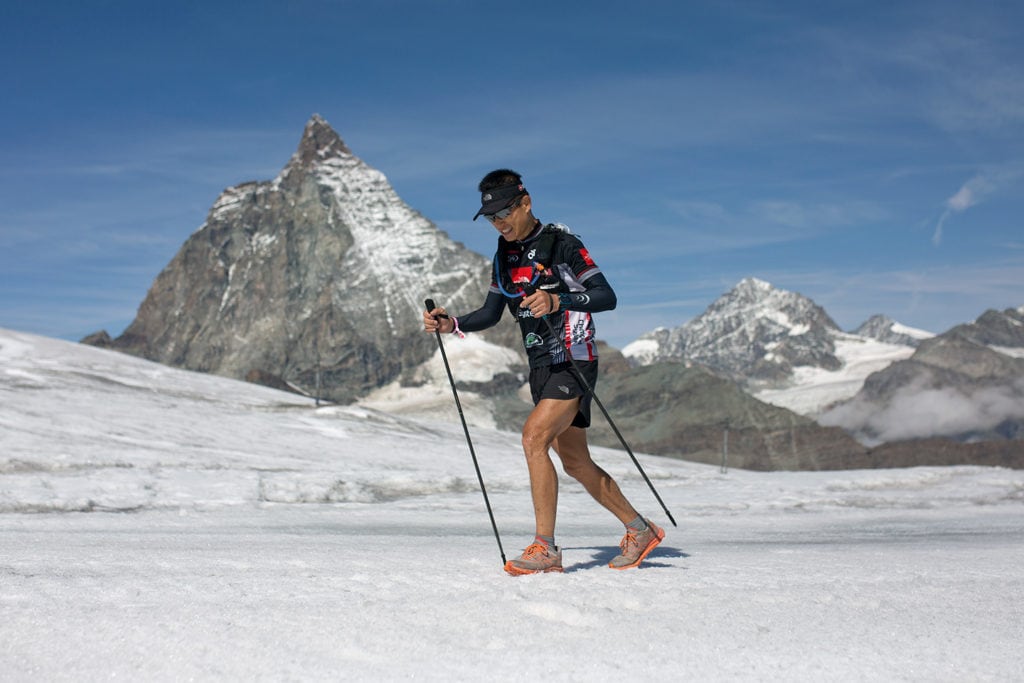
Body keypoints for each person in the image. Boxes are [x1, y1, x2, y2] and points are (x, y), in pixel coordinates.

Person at [423, 169, 664, 575]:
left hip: (573, 357)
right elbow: (490, 312)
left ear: (525, 203)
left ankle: (545, 548)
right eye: (492, 219)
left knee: (533, 438)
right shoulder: (504, 254)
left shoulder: (562, 244)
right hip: (540, 364)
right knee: (575, 462)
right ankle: (640, 529)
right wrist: (452, 324)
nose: (500, 224)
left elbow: (607, 296)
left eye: (504, 214)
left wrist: (557, 301)